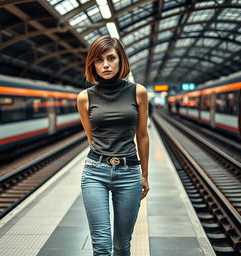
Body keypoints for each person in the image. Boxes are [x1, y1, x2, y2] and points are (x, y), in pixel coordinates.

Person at [77, 35, 149, 256]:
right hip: (95, 172)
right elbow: (92, 137)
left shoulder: (138, 92)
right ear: (93, 64)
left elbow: (143, 136)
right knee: (101, 246)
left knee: (122, 245)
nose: (105, 65)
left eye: (110, 58)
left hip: (129, 173)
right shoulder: (84, 97)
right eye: (99, 60)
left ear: (121, 61)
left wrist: (144, 174)